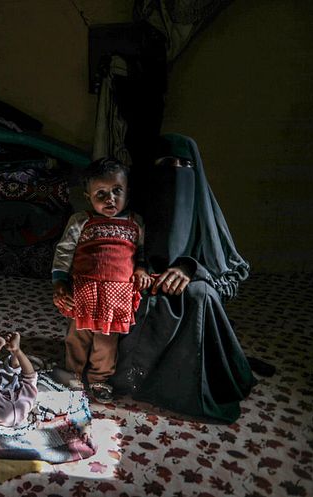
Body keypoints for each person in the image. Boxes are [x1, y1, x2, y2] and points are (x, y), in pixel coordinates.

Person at [110, 133, 255, 423]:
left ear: (196, 172)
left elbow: (231, 275)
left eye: (184, 165)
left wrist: (191, 268)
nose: (175, 172)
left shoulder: (204, 212)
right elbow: (108, 256)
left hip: (192, 287)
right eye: (166, 164)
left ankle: (186, 384)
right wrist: (138, 270)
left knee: (201, 295)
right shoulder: (134, 211)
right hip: (141, 281)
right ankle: (130, 375)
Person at [51, 158, 153, 403]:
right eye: (101, 193)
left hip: (117, 295)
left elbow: (143, 252)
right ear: (88, 197)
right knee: (78, 335)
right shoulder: (81, 220)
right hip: (83, 291)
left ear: (127, 194)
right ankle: (73, 373)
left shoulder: (136, 223)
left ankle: (99, 378)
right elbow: (64, 251)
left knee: (107, 341)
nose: (110, 199)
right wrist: (60, 281)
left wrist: (141, 269)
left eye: (117, 191)